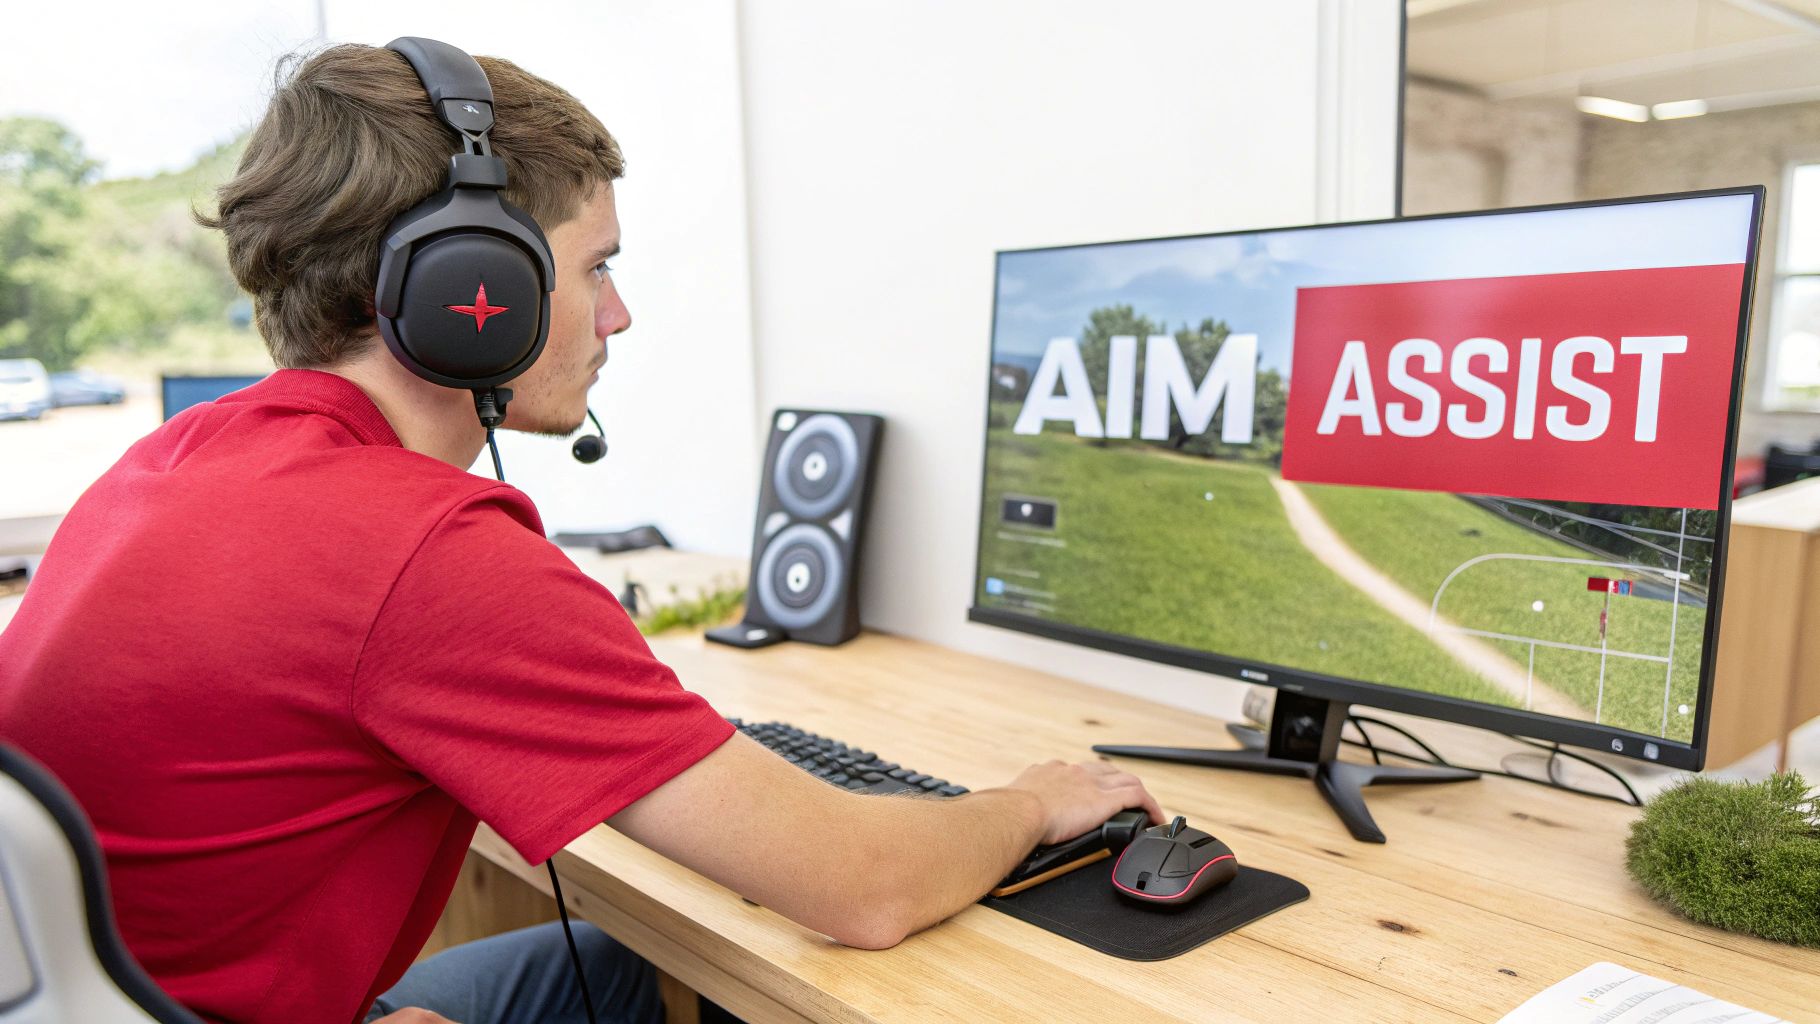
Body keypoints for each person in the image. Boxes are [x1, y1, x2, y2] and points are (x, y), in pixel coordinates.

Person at [0, 41, 1164, 1024]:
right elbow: (860, 886)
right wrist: (1031, 799)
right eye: (594, 267)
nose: (619, 313)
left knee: (622, 966)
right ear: (472, 288)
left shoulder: (170, 459)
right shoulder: (423, 551)